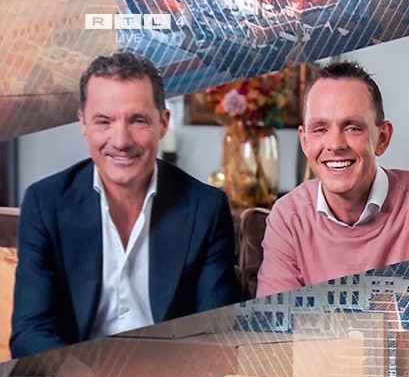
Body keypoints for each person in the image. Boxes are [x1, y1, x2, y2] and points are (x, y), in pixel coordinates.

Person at [11, 52, 240, 358]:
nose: (120, 141)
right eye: (103, 121)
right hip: (74, 375)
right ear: (83, 123)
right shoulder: (45, 204)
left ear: (163, 123)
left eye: (138, 120)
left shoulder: (206, 209)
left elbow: (216, 335)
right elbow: (30, 333)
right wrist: (83, 376)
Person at [256, 61, 409, 297]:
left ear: (382, 138)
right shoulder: (287, 218)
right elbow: (273, 320)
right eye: (320, 129)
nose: (335, 145)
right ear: (305, 141)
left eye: (352, 128)